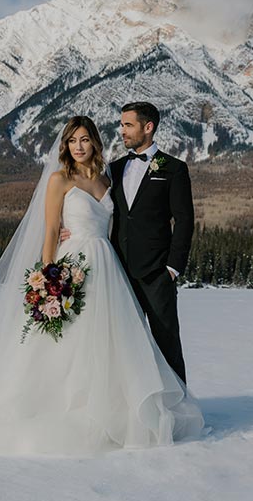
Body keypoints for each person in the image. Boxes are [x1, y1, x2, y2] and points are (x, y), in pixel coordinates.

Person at [0, 116, 204, 456]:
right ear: (65, 146)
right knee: (66, 338)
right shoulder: (59, 180)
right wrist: (48, 276)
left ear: (94, 142)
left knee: (113, 340)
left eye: (84, 139)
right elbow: (51, 230)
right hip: (73, 265)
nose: (78, 146)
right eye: (72, 141)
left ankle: (117, 407)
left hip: (109, 267)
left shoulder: (106, 178)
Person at [62, 102, 193, 384]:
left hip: (158, 272)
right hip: (117, 273)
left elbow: (184, 221)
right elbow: (95, 206)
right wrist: (70, 229)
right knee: (125, 346)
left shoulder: (174, 169)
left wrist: (172, 268)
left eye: (128, 125)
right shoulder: (115, 169)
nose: (122, 131)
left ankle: (179, 406)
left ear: (148, 127)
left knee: (166, 342)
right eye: (121, 125)